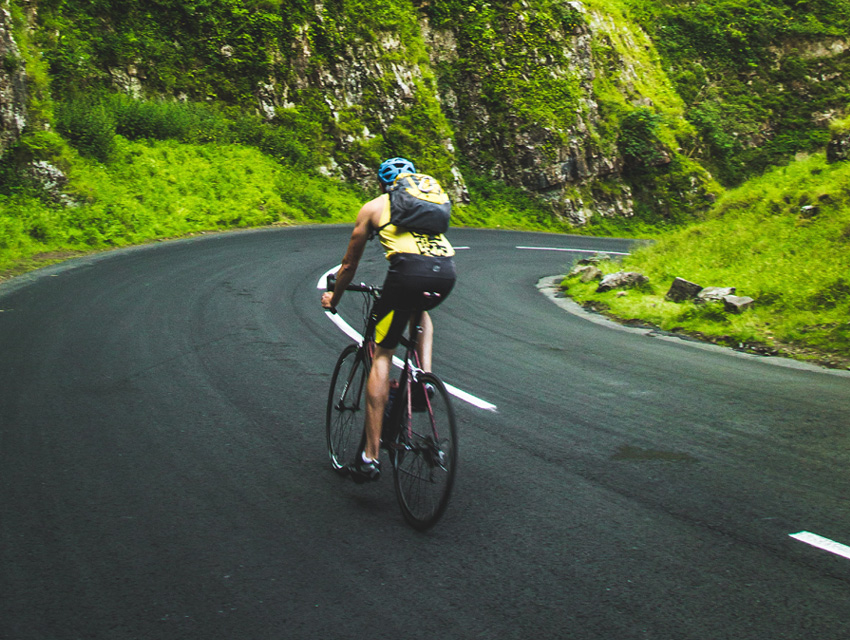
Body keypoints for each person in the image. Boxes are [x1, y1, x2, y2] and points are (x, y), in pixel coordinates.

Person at [321, 157, 456, 483]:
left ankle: (369, 458)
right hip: (446, 273)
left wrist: (333, 299)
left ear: (383, 184)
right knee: (418, 310)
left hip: (408, 274)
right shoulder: (426, 207)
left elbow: (348, 266)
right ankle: (423, 377)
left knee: (382, 353)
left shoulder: (373, 207)